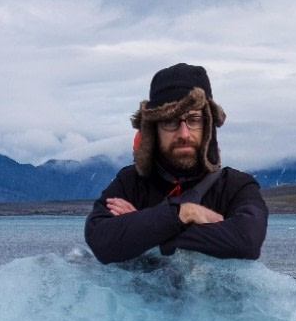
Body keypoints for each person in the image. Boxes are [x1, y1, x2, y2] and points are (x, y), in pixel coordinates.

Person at [84, 63, 268, 264]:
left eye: (194, 119)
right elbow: (100, 241)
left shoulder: (236, 186)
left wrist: (146, 229)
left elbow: (246, 240)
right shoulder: (130, 183)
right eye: (170, 121)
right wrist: (184, 213)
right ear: (154, 129)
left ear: (208, 125)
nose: (183, 134)